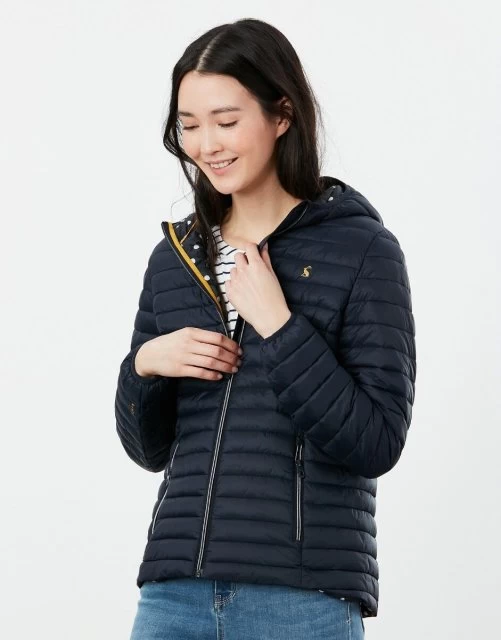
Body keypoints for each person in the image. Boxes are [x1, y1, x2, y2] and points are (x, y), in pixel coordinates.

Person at [114, 17, 416, 640]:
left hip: (301, 600)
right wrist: (145, 366)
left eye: (226, 121)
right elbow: (148, 451)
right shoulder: (175, 259)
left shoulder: (362, 249)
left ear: (282, 115)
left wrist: (281, 326)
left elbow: (378, 440)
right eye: (189, 125)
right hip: (174, 595)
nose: (207, 145)